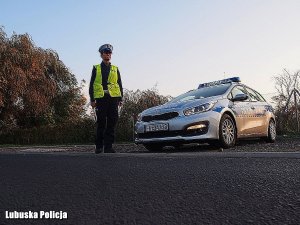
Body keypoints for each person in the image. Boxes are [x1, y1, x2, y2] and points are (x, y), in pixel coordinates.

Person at [89, 44, 123, 154]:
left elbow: (119, 83)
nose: (107, 54)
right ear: (101, 54)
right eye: (105, 52)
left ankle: (108, 146)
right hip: (101, 98)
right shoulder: (96, 68)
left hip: (113, 98)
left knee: (112, 121)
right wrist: (92, 99)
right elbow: (92, 84)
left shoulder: (115, 69)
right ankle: (99, 146)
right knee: (101, 122)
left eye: (109, 52)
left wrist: (120, 98)